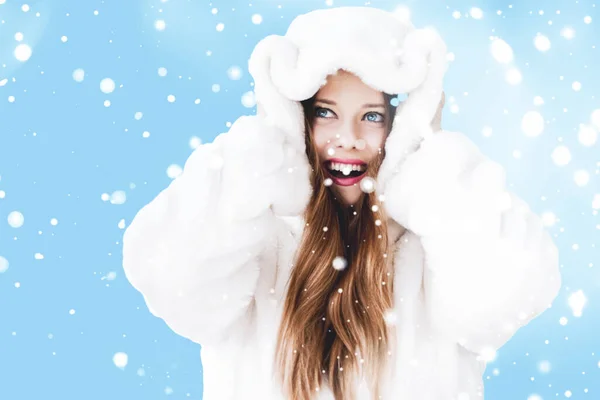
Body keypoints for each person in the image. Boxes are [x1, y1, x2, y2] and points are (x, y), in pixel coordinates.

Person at [122, 6, 561, 400]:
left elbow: (507, 296)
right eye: (325, 113)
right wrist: (250, 169)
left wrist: (440, 179)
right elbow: (172, 280)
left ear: (400, 126)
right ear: (295, 118)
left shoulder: (436, 245)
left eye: (371, 116)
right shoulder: (251, 237)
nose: (346, 138)